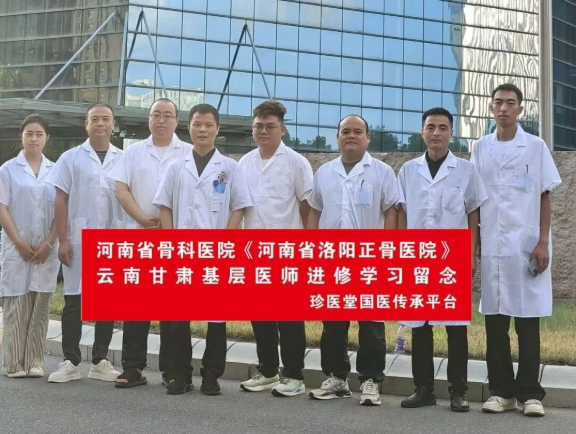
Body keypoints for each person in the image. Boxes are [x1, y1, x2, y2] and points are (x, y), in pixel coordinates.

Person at [471, 84, 562, 417]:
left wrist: (543, 241)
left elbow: (544, 195)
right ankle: (501, 392)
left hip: (526, 247)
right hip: (493, 248)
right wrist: (473, 245)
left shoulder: (535, 147)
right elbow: (475, 200)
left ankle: (530, 394)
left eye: (511, 103)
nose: (504, 108)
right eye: (498, 102)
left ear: (520, 109)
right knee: (495, 323)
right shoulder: (480, 147)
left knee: (527, 322)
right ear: (491, 107)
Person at [153, 103, 252, 396]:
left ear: (217, 129)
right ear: (189, 128)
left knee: (216, 316)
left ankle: (211, 374)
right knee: (178, 316)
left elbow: (239, 207)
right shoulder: (176, 167)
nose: (203, 130)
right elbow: (164, 206)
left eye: (208, 125)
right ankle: (180, 373)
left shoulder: (230, 168)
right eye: (197, 124)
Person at [396, 107, 487, 412]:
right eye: (431, 127)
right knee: (420, 326)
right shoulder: (408, 170)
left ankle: (458, 391)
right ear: (422, 132)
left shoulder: (466, 170)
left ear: (451, 133)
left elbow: (473, 212)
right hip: (417, 256)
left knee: (455, 327)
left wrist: (472, 253)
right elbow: (402, 212)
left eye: (443, 127)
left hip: (452, 256)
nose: (436, 133)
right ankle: (423, 389)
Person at [307, 115, 399, 406]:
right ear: (337, 137)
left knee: (371, 323)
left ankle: (370, 380)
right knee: (333, 323)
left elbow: (392, 211)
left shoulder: (382, 172)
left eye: (358, 131)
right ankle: (337, 378)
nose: (351, 135)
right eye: (345, 131)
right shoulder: (324, 172)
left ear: (367, 138)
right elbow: (314, 210)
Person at [109, 98, 193, 389]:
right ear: (149, 119)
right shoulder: (133, 152)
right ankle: (133, 367)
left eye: (168, 115)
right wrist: (143, 219)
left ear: (176, 121)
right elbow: (121, 189)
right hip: (139, 236)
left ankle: (173, 370)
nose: (161, 120)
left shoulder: (189, 153)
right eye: (156, 114)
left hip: (176, 239)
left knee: (174, 309)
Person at [238, 100, 313, 397]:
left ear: (282, 129)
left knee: (290, 317)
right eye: (258, 126)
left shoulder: (296, 162)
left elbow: (307, 206)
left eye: (270, 126)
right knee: (261, 316)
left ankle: (294, 375)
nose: (263, 131)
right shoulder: (245, 163)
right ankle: (268, 371)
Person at [46, 103, 125, 383]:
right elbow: (60, 199)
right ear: (86, 124)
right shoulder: (70, 158)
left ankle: (100, 360)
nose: (100, 123)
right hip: (78, 239)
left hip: (112, 239)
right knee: (74, 300)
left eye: (106, 119)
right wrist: (63, 240)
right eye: (95, 119)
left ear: (113, 124)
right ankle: (70, 361)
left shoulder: (124, 159)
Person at [0, 114, 60, 378]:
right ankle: (13, 363)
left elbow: (61, 210)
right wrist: (19, 243)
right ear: (21, 136)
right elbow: (2, 208)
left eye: (39, 134)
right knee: (16, 303)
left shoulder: (56, 170)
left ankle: (35, 361)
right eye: (29, 133)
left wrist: (49, 242)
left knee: (40, 304)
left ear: (47, 138)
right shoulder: (7, 170)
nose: (34, 138)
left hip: (47, 247)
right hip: (17, 246)